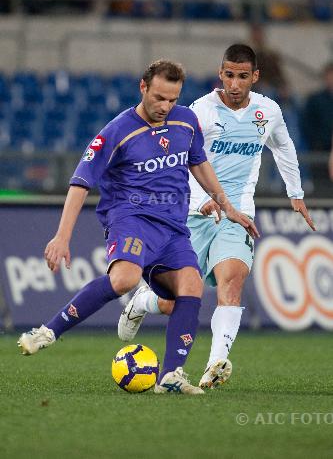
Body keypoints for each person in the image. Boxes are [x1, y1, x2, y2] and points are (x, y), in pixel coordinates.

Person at [18, 59, 258, 396]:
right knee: (125, 279)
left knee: (190, 286)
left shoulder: (186, 121)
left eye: (173, 99)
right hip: (131, 220)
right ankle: (48, 331)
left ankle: (173, 374)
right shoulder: (116, 131)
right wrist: (62, 236)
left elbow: (199, 162)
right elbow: (80, 182)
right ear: (143, 88)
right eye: (159, 97)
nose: (166, 106)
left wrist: (227, 205)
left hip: (174, 226)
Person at [117, 45, 316, 389]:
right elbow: (180, 160)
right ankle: (143, 301)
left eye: (242, 77)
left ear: (254, 77)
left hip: (238, 215)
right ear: (220, 74)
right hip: (194, 213)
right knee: (172, 301)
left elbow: (283, 147)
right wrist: (205, 199)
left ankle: (215, 363)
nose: (235, 84)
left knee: (232, 280)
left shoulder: (268, 112)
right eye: (229, 75)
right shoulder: (200, 112)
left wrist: (295, 193)